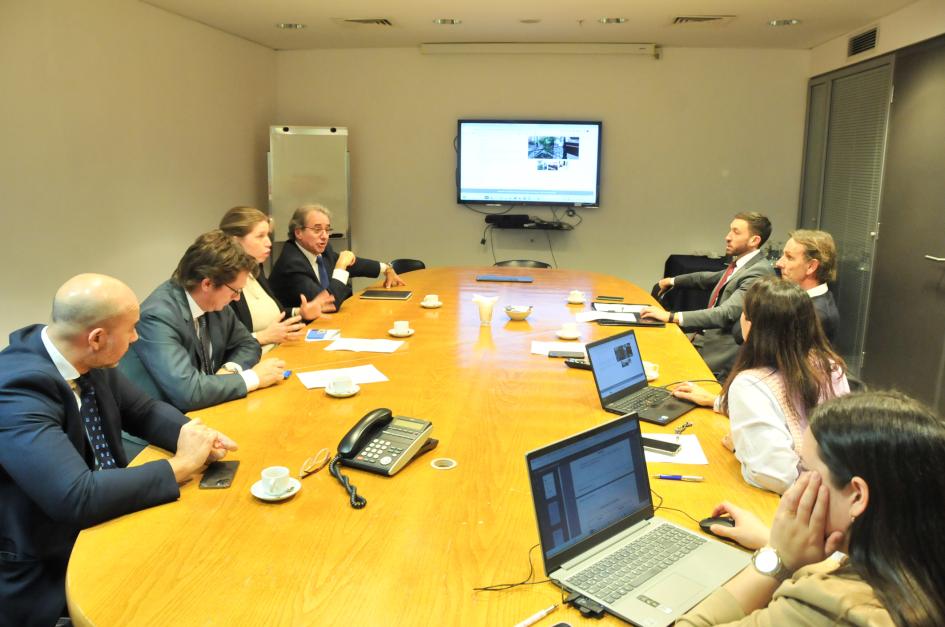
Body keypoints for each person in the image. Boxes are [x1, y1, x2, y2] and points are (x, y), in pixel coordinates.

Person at [0, 274, 238, 627]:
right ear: (97, 338)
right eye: (131, 329)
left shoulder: (83, 355)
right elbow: (75, 496)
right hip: (49, 563)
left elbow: (143, 410)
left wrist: (193, 433)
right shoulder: (17, 389)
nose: (135, 337)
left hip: (110, 514)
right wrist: (181, 465)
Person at [677, 391, 945, 626]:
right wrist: (770, 539)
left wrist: (775, 559)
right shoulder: (920, 565)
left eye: (806, 470)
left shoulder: (834, 609)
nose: (797, 486)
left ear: (856, 496)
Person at [674, 278, 849, 493]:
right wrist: (718, 401)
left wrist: (741, 449)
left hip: (799, 505)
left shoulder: (751, 384)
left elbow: (777, 477)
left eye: (744, 314)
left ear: (752, 326)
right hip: (839, 495)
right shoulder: (830, 366)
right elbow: (789, 410)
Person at [118, 230, 286, 412]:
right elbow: (188, 393)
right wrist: (253, 378)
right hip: (156, 428)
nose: (237, 298)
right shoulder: (158, 316)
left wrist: (230, 371)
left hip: (205, 410)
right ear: (207, 284)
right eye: (235, 291)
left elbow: (248, 344)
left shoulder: (214, 303)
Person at [640, 212, 775, 378]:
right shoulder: (742, 265)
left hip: (720, 352)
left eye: (736, 232)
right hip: (704, 338)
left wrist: (670, 316)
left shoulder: (758, 272)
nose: (727, 237)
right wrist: (672, 281)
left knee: (659, 366)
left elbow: (725, 314)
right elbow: (707, 278)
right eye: (729, 230)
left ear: (754, 240)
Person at [218, 206, 334, 353]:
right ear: (234, 241)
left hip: (281, 349)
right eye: (260, 236)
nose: (269, 243)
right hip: (256, 362)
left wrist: (300, 313)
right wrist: (263, 337)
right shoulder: (223, 284)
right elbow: (222, 345)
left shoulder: (255, 271)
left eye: (268, 235)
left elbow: (272, 313)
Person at [269, 204, 406, 312]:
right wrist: (340, 267)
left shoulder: (322, 250)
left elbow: (354, 265)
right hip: (296, 334)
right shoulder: (292, 263)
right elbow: (328, 304)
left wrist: (386, 268)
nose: (324, 236)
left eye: (327, 229)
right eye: (317, 230)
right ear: (298, 232)